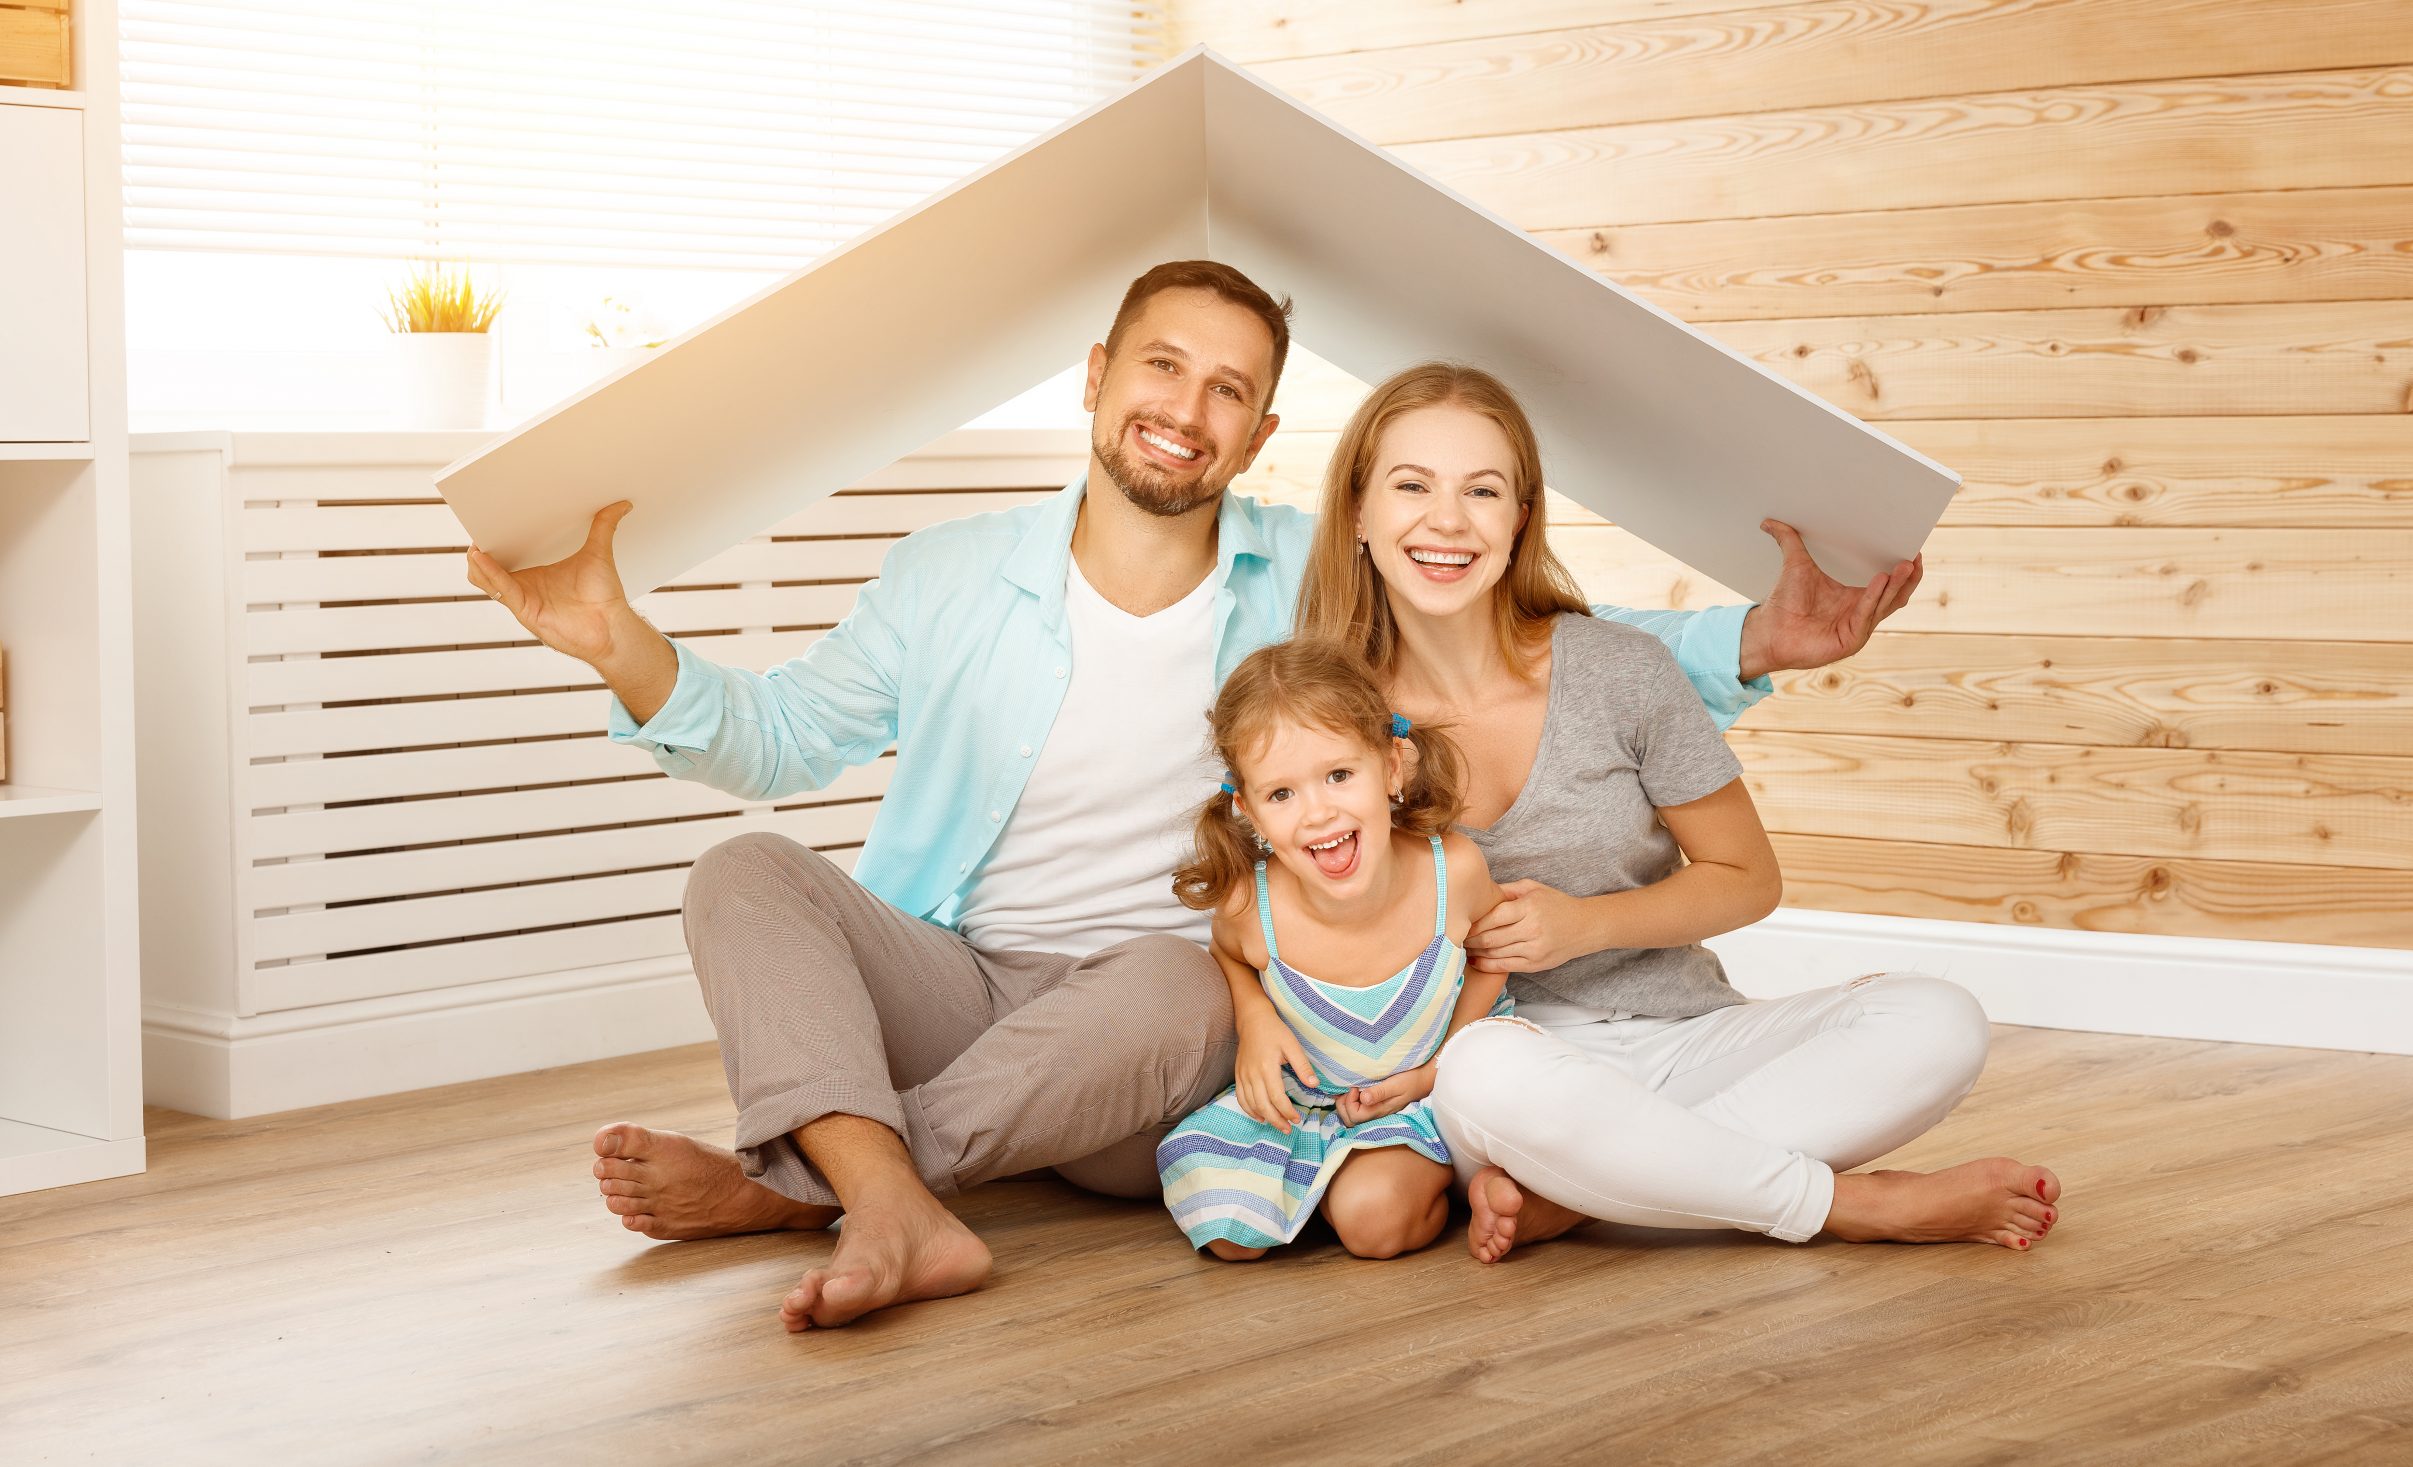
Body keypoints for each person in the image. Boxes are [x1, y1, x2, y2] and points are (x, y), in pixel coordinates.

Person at [463, 261, 1921, 1331]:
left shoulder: (1309, 574)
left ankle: (807, 1180)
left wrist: (1748, 645)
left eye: (1230, 389)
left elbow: (1513, 638)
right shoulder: (949, 574)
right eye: (1163, 368)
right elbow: (776, 738)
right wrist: (621, 644)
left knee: (1170, 977)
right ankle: (889, 1191)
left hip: (1167, 1018)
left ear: (1261, 434)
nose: (1187, 408)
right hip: (964, 975)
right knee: (743, 872)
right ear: (1098, 376)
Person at [1295, 361, 2060, 1264]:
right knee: (1485, 1069)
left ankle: (1587, 1194)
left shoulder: (1622, 669)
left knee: (1941, 1018)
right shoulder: (1323, 718)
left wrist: (1584, 925)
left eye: (1484, 490)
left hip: (1686, 1034)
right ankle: (1847, 1205)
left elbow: (1749, 879)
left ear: (1521, 521)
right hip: (1501, 1070)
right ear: (1357, 513)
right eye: (1412, 485)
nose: (1448, 520)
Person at [1157, 640, 1507, 1261]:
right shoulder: (1251, 907)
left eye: (1339, 776)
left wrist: (1435, 1071)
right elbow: (1228, 953)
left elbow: (1492, 958)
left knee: (1374, 1225)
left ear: (1393, 767)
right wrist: (1256, 1017)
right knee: (1228, 1236)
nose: (1317, 812)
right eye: (1281, 795)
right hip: (1313, 1106)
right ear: (1250, 814)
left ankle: (1443, 1183)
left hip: (1427, 1095)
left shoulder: (1452, 871)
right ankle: (1327, 1187)